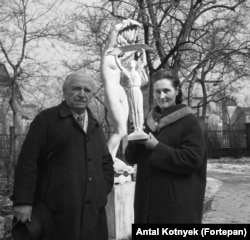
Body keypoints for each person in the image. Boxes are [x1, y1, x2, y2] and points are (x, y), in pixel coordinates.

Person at [11, 71, 114, 240]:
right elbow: (28, 162)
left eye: (87, 90)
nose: (82, 94)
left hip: (92, 213)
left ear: (93, 95)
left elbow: (106, 163)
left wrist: (101, 192)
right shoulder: (46, 120)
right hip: (54, 214)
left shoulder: (95, 125)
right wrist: (23, 201)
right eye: (76, 89)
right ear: (65, 91)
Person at [125, 69, 207, 223]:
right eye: (157, 92)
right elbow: (131, 158)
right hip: (147, 205)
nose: (161, 96)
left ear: (176, 91)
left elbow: (192, 159)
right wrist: (134, 136)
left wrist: (157, 147)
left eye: (166, 91)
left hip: (174, 209)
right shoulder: (149, 121)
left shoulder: (189, 122)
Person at [100, 18, 141, 160]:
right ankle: (104, 161)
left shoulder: (118, 57)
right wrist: (120, 27)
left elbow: (130, 50)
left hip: (120, 91)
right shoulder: (108, 53)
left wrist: (138, 45)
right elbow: (114, 37)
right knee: (121, 129)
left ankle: (111, 160)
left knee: (122, 131)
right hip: (111, 91)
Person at [115, 50, 148, 133]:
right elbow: (120, 66)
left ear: (135, 64)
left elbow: (143, 62)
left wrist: (143, 51)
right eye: (129, 63)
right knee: (132, 109)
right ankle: (135, 127)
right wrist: (116, 57)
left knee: (139, 109)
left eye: (132, 62)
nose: (131, 63)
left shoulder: (138, 72)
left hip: (137, 89)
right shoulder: (127, 73)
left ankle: (140, 126)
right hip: (130, 90)